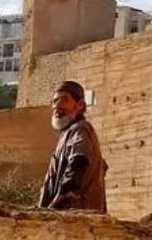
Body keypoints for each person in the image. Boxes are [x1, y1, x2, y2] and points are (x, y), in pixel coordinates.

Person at [38, 80, 108, 213]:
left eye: (64, 100)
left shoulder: (80, 129)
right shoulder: (68, 132)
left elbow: (79, 161)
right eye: (55, 101)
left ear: (80, 105)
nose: (57, 105)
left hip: (75, 212)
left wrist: (63, 195)